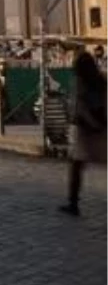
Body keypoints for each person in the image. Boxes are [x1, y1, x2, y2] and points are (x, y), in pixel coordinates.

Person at [59, 51, 108, 217]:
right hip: (101, 126)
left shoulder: (79, 82)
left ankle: (73, 203)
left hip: (84, 128)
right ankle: (72, 203)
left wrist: (91, 123)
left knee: (76, 165)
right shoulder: (102, 80)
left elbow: (79, 106)